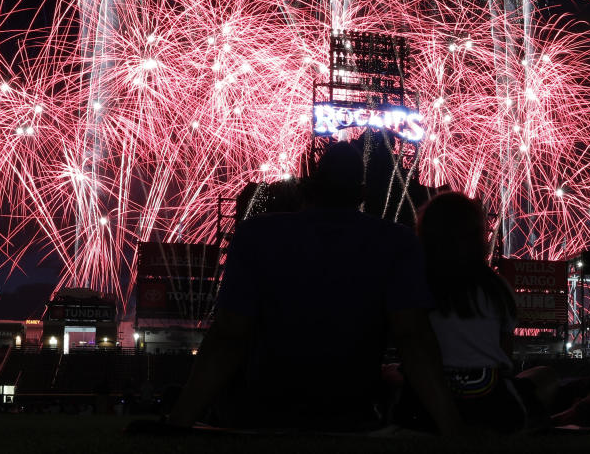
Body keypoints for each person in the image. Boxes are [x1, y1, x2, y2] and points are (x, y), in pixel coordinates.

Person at [166, 142, 461, 435]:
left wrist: (178, 422)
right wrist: (452, 428)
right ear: (361, 193)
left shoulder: (256, 236)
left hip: (264, 410)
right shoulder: (397, 243)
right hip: (349, 411)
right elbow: (414, 340)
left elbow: (228, 337)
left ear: (308, 186)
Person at [401, 191, 531, 433]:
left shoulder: (414, 283)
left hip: (426, 406)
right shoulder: (496, 287)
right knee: (541, 378)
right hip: (494, 404)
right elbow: (505, 354)